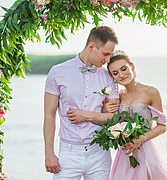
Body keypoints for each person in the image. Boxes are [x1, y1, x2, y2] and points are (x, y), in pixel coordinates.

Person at [43, 26, 119, 180]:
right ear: (92, 46)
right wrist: (49, 153)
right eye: (106, 54)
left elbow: (115, 118)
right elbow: (49, 115)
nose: (108, 60)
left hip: (100, 153)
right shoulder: (58, 72)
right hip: (68, 154)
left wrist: (87, 115)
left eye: (110, 55)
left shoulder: (109, 77)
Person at [105, 52, 167, 180]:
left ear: (132, 66)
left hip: (147, 150)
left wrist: (140, 139)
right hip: (126, 152)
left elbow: (162, 126)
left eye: (124, 69)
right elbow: (112, 122)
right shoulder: (119, 96)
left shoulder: (151, 92)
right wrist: (107, 109)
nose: (121, 75)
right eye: (115, 73)